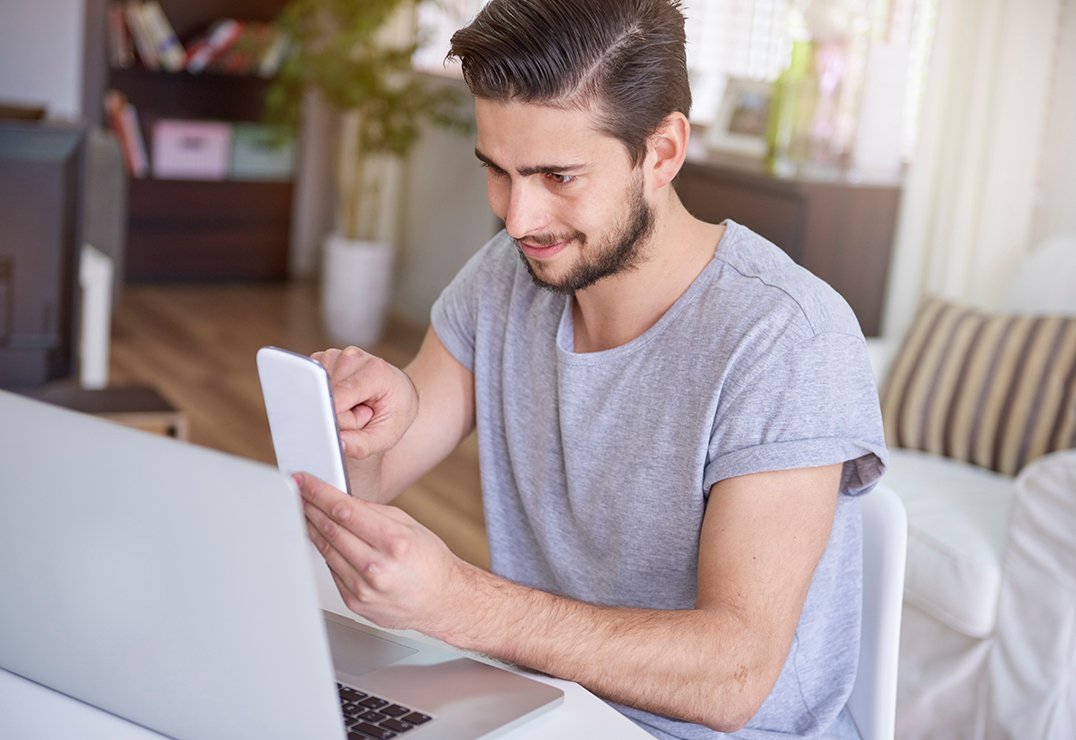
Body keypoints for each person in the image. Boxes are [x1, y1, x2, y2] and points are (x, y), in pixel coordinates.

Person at [294, 1, 887, 737]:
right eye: (499, 172)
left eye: (558, 176)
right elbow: (367, 487)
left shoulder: (786, 337)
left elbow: (734, 676)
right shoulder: (507, 279)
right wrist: (360, 431)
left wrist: (460, 603)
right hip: (548, 713)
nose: (518, 218)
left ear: (663, 152)